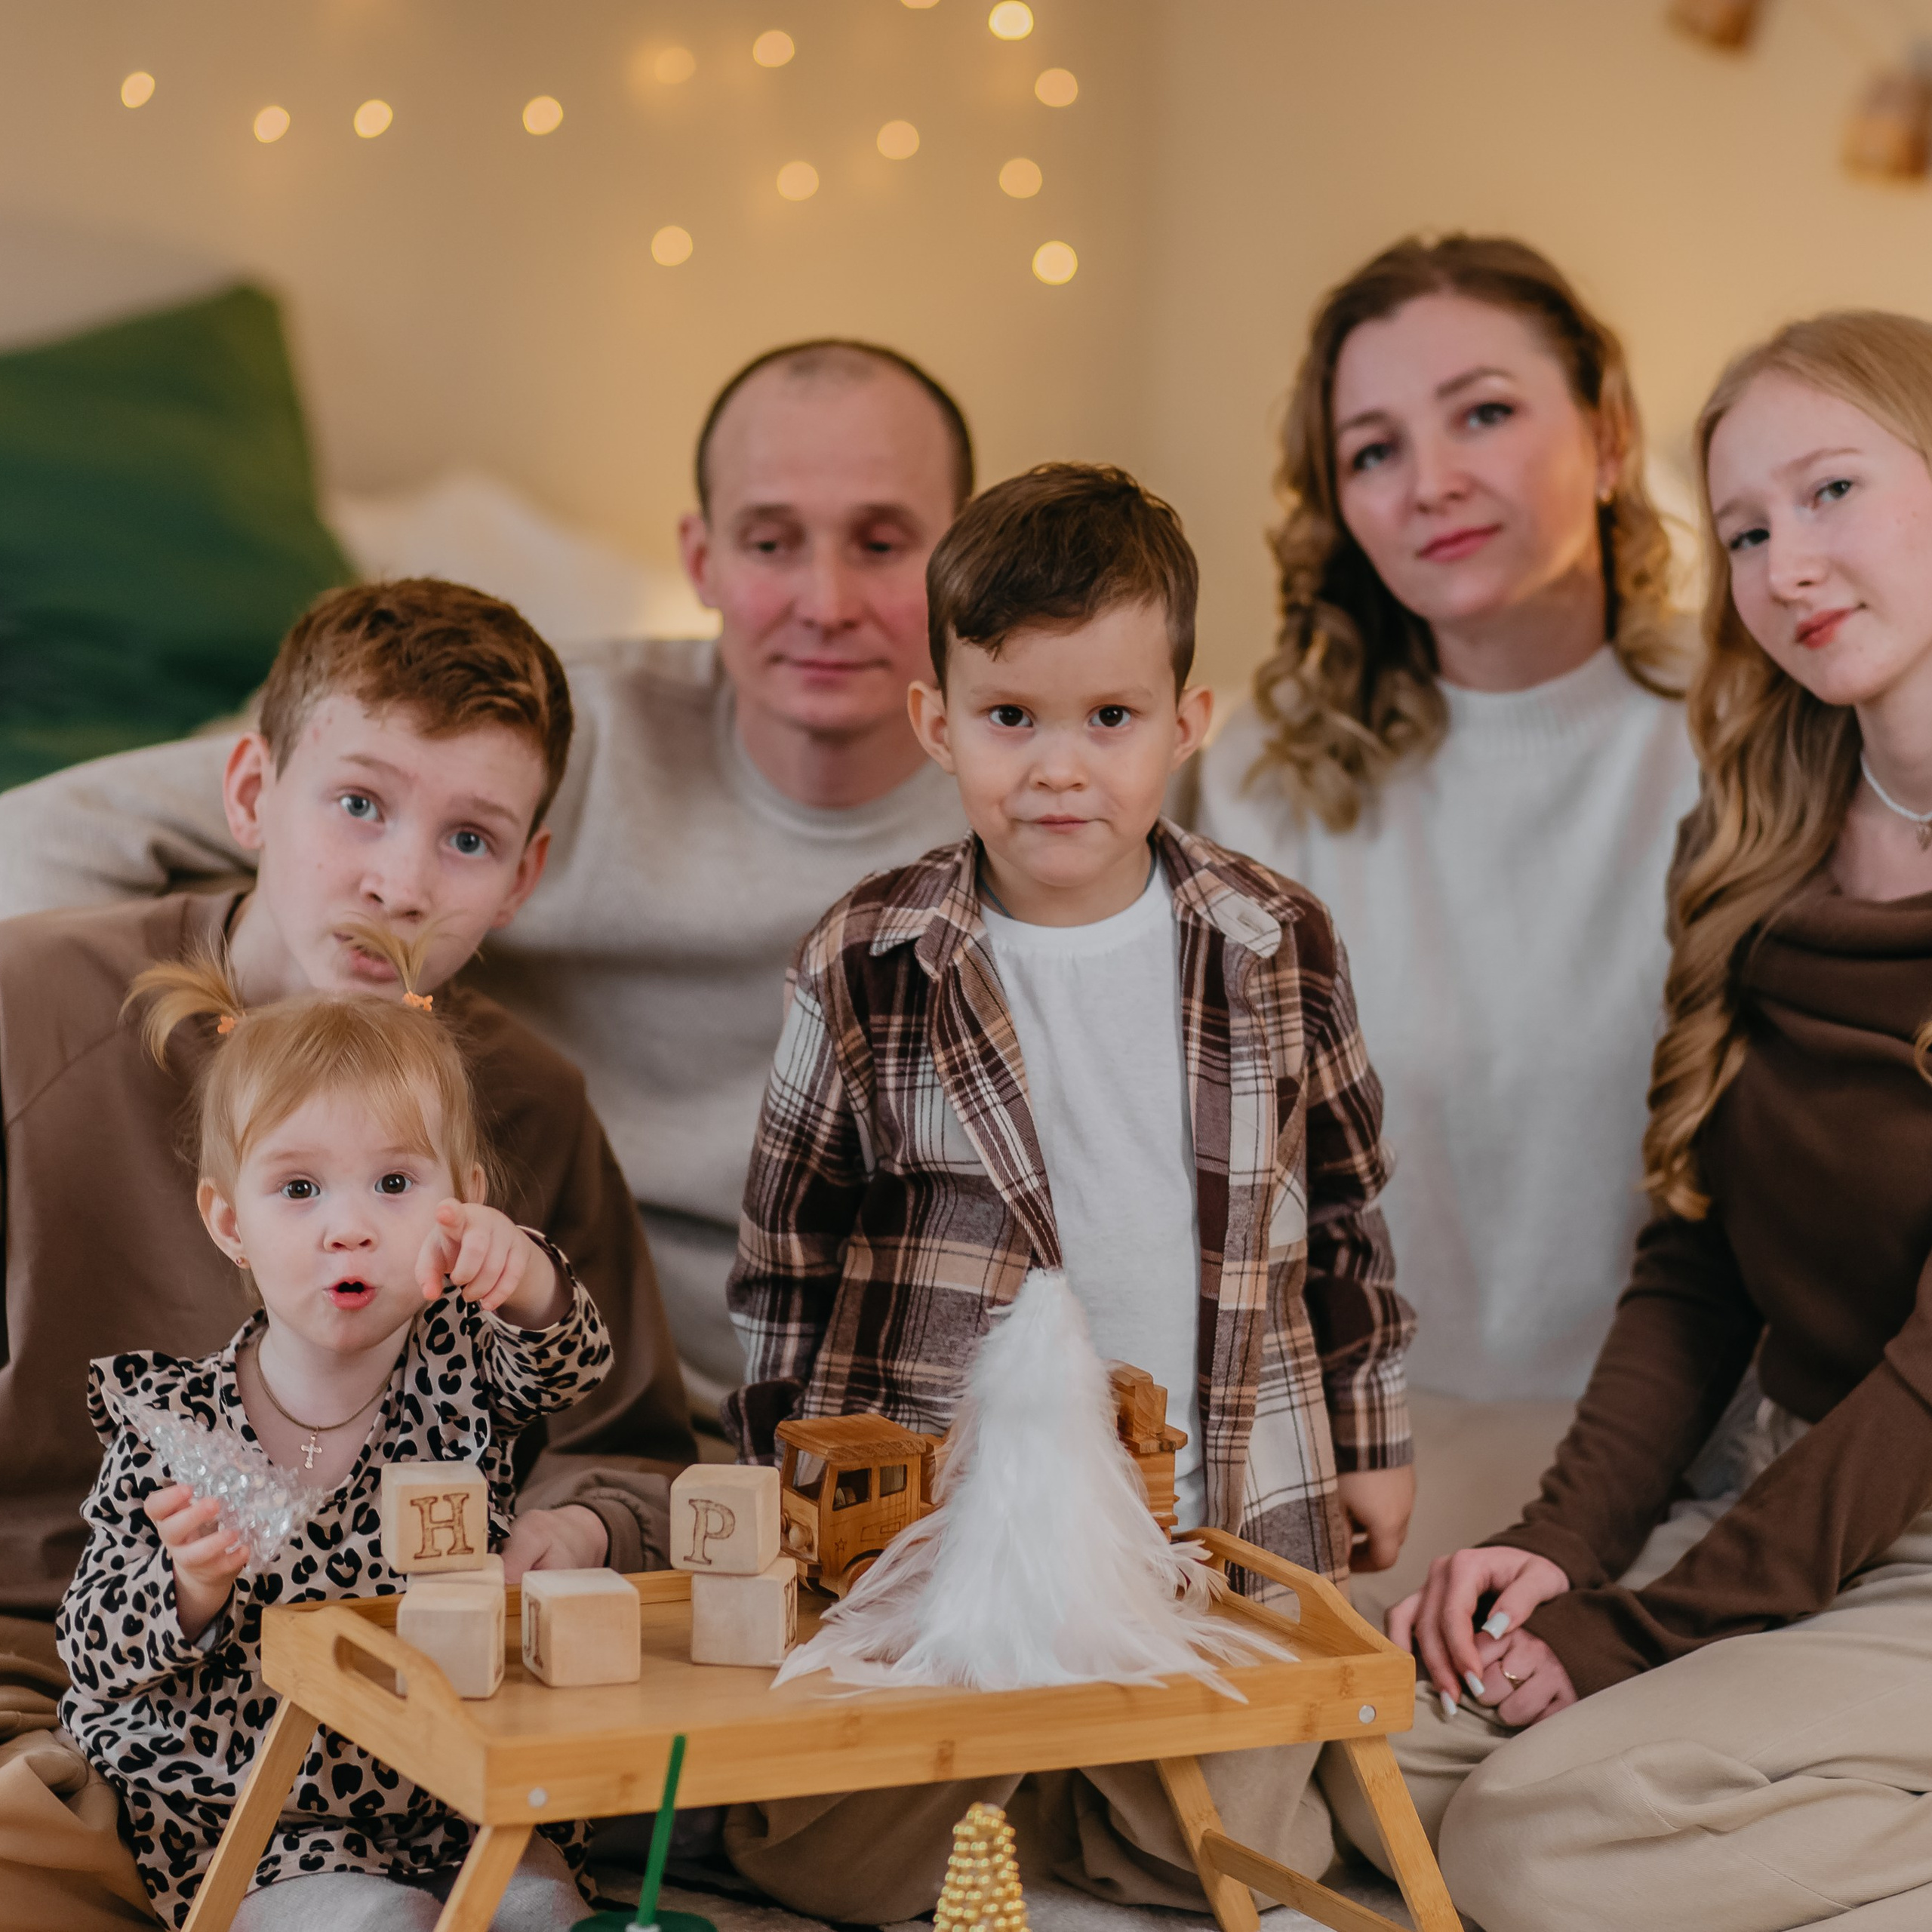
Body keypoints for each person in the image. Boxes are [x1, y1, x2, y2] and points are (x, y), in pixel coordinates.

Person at [0, 340, 973, 1420]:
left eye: (882, 543)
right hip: (537, 1373)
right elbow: (69, 824)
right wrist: (75, 1066)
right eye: (771, 541)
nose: (825, 601)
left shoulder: (1040, 793)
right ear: (701, 560)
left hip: (789, 1413)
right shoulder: (546, 734)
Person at [719, 463, 1415, 1922]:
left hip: (1217, 1491)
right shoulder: (865, 958)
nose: (1059, 767)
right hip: (944, 1512)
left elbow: (1344, 1211)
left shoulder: (1274, 942)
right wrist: (778, 1477)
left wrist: (1371, 1439)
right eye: (1010, 718)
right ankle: (992, 1776)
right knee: (823, 1866)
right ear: (937, 725)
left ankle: (1092, 1802)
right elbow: (788, 1247)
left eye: (1110, 720)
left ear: (1186, 722)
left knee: (1222, 1861)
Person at [1346, 309, 1932, 1930]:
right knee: (1364, 1763)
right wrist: (1559, 1553)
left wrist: (1645, 1632)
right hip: (1799, 1482)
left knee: (1538, 1845)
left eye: (1827, 493)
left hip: (1920, 1515)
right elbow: (1694, 1264)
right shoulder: (1755, 830)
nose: (1781, 563)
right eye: (1741, 528)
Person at [0, 580, 688, 1927]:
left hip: (396, 1705)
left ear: (524, 877)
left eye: (470, 837)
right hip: (64, 1670)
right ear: (253, 792)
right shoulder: (31, 1013)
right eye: (359, 804)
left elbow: (633, 1436)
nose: (402, 882)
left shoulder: (525, 1104)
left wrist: (573, 1527)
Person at [1184, 235, 1702, 1617]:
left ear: (1606, 437)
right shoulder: (1250, 791)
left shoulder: (1752, 741)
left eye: (1485, 411)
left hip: (1677, 1473)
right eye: (1374, 450)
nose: (1433, 484)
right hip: (1360, 1488)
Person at [64, 937, 610, 1930]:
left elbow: (572, 1364)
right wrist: (190, 1586)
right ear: (231, 1224)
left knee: (540, 1908)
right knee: (374, 1924)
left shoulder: (463, 1361)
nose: (349, 1228)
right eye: (300, 1189)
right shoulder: (177, 1423)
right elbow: (93, 1646)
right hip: (260, 1805)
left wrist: (524, 1274)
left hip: (453, 1784)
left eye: (395, 1186)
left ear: (465, 1205)